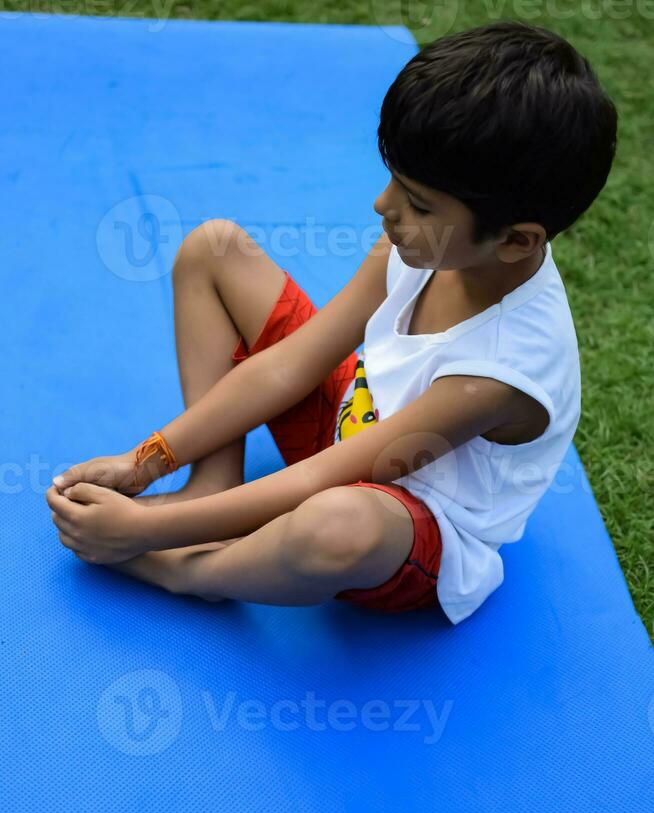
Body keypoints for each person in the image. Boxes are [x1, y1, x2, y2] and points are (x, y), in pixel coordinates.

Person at [45, 20, 618, 623]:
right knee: (213, 250)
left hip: (403, 521)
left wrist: (145, 532)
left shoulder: (500, 371)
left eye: (417, 202)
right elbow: (293, 365)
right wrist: (146, 461)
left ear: (515, 240)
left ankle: (195, 573)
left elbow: (327, 479)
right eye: (394, 179)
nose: (384, 207)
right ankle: (212, 483)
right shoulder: (434, 242)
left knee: (338, 526)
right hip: (354, 419)